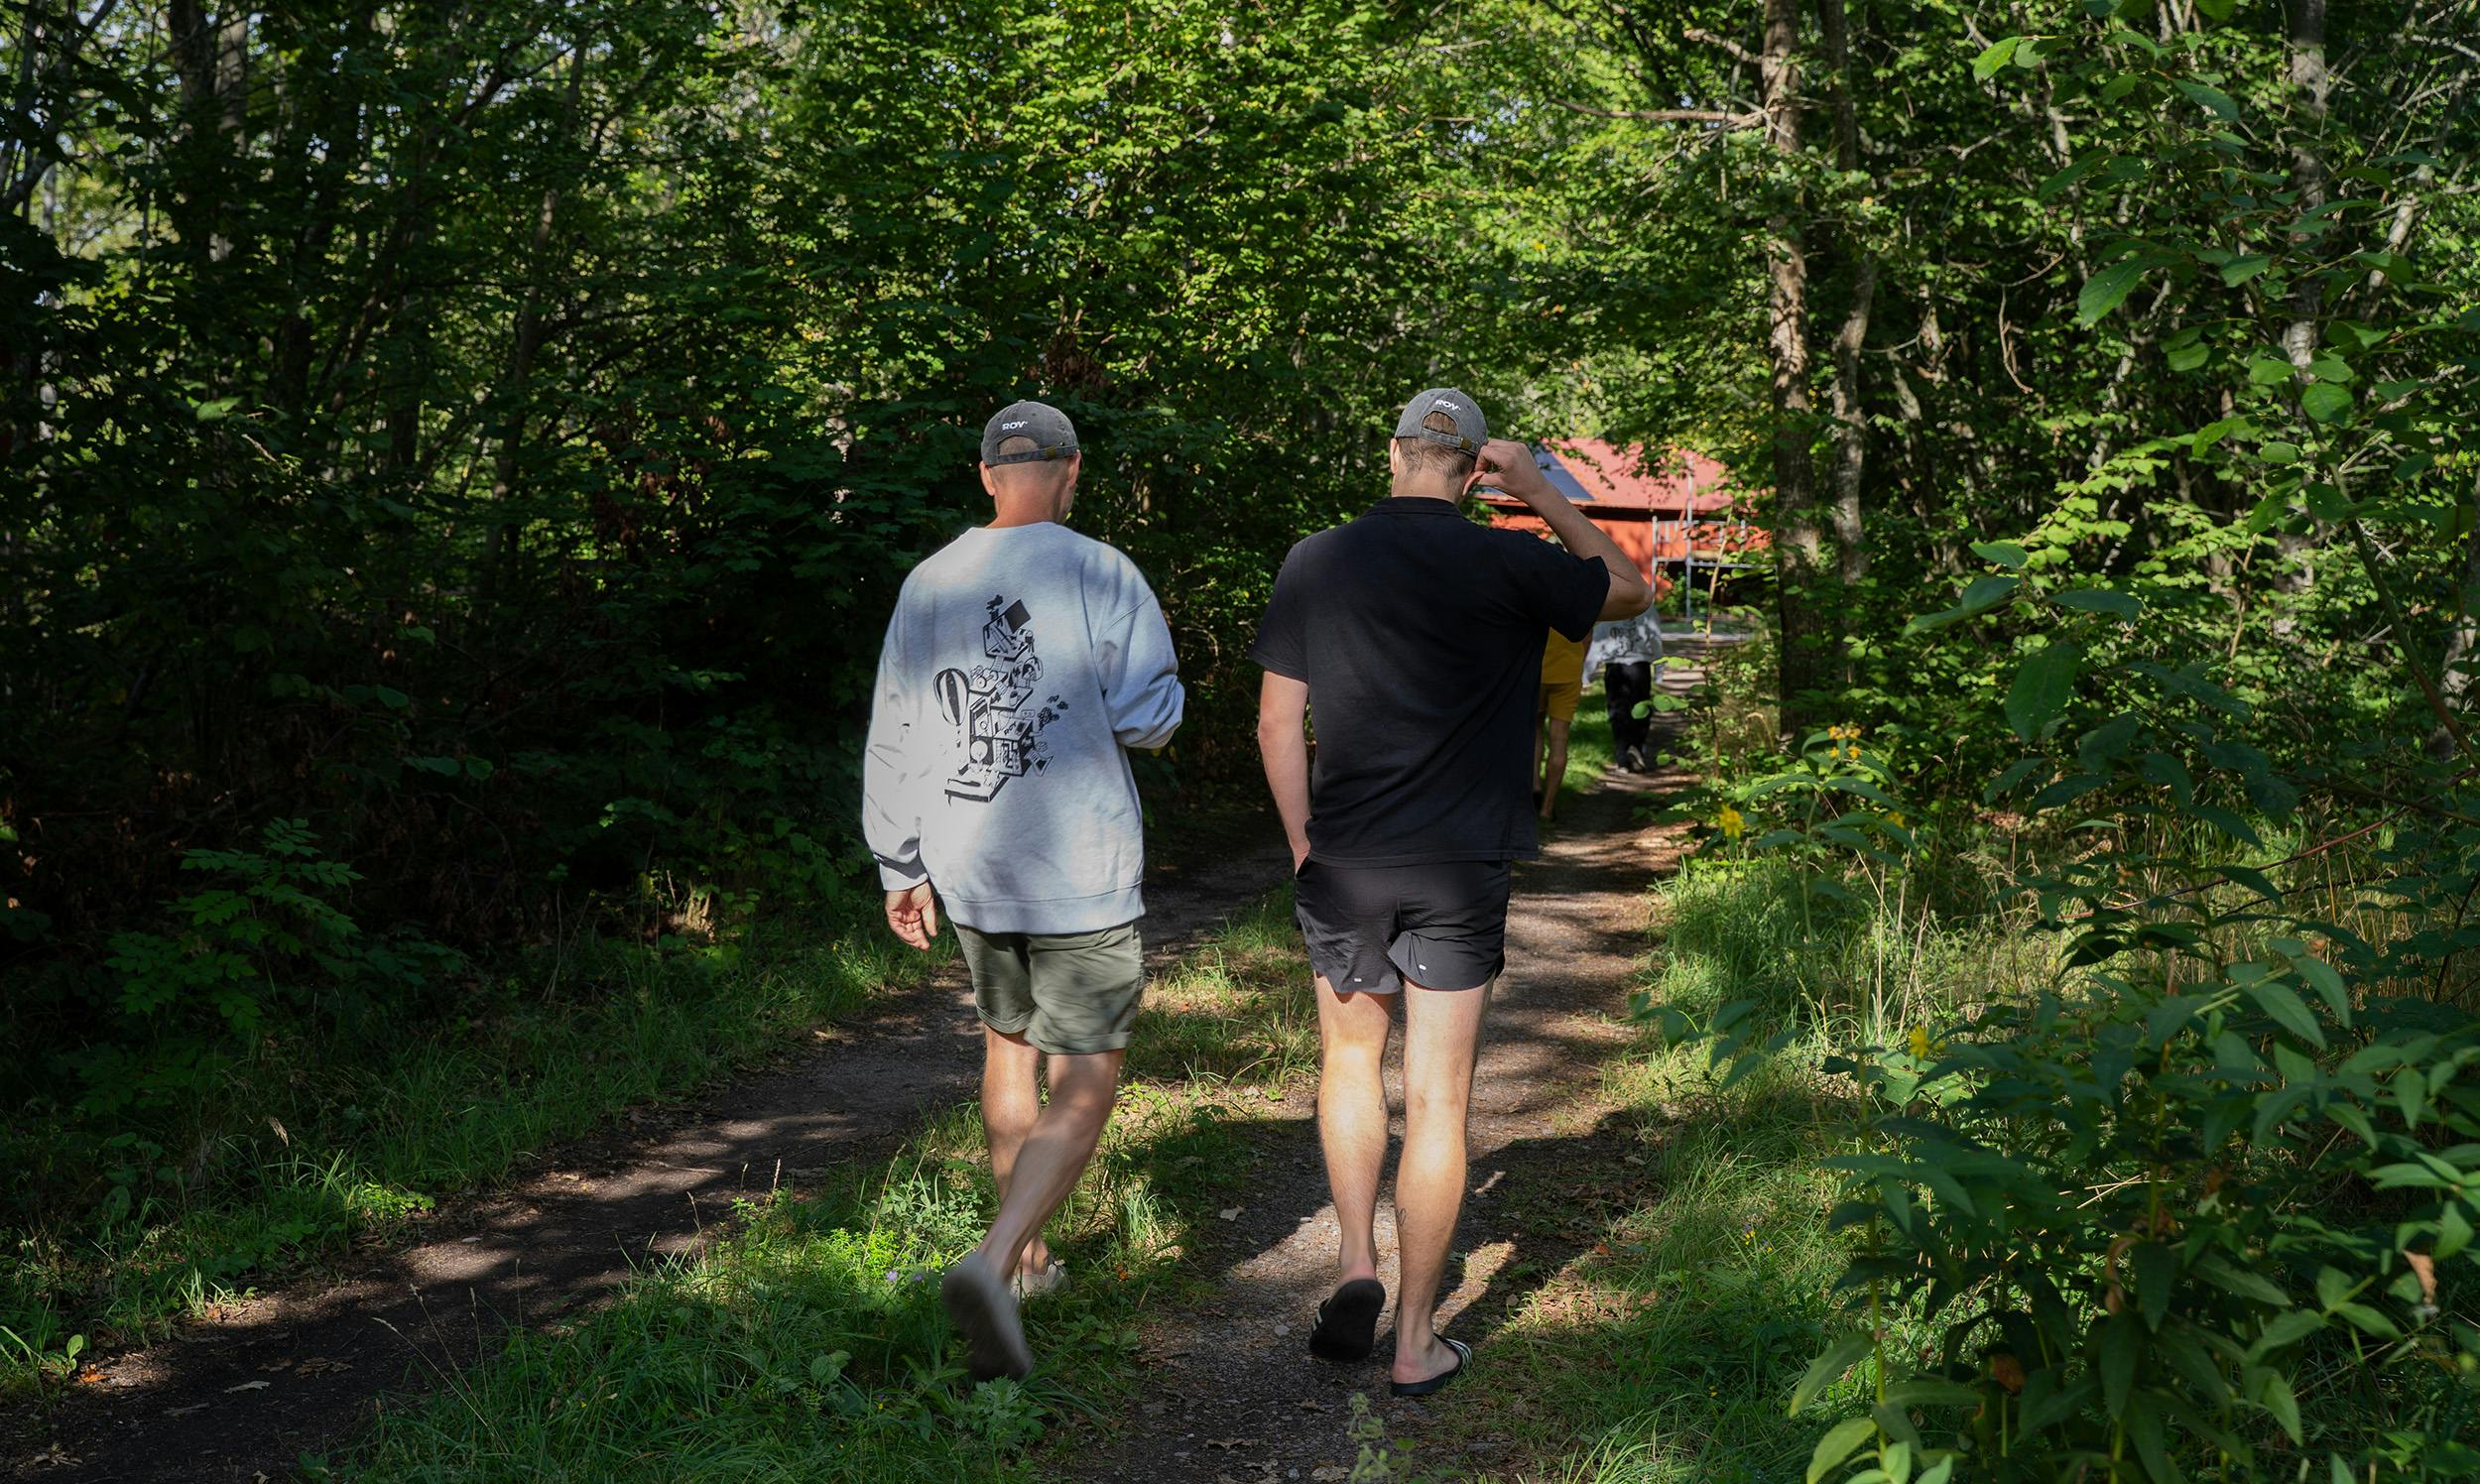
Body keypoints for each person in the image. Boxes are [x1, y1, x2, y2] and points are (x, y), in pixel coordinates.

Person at [1251, 389, 1651, 1397]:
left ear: (1392, 453)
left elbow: (1273, 725)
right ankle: (1417, 1340)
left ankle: (1354, 1262)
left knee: (1350, 1062)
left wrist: (1306, 843)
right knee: (1438, 1099)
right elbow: (1629, 589)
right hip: (1460, 862)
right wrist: (1544, 492)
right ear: (1474, 468)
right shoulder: (1509, 559)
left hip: (1346, 857)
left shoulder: (1318, 558)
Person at [862, 400, 1184, 1381]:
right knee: (1087, 1074)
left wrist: (899, 861)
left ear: (986, 473)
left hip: (973, 861)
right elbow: (1147, 717)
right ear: (1072, 470)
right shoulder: (1102, 572)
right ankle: (997, 1260)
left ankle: (1032, 1263)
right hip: (1080, 868)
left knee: (1007, 1053)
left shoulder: (931, 581)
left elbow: (897, 726)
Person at [1588, 606, 1666, 772]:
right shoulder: (1647, 608)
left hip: (1615, 667)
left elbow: (1598, 640)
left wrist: (1587, 674)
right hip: (1639, 667)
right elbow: (1655, 639)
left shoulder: (1611, 604)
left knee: (1617, 712)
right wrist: (1659, 669)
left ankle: (1622, 760)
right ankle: (1636, 748)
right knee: (1641, 710)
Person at [1534, 621, 1586, 821]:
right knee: (1559, 739)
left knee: (1534, 729)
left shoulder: (1536, 594)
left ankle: (1535, 785)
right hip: (1568, 672)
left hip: (1537, 670)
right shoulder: (1577, 596)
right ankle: (1547, 808)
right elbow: (1587, 636)